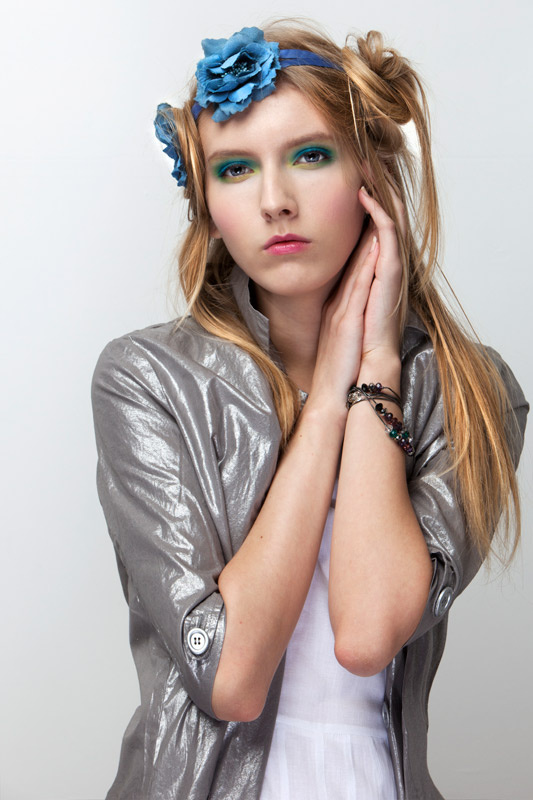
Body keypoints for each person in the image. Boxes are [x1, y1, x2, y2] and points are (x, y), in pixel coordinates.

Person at [91, 21, 528, 800]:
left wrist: (376, 368)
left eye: (310, 155)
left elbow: (365, 634)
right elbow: (231, 679)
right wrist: (325, 399)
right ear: (207, 204)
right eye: (234, 169)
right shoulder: (149, 379)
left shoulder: (469, 391)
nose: (274, 202)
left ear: (372, 174)